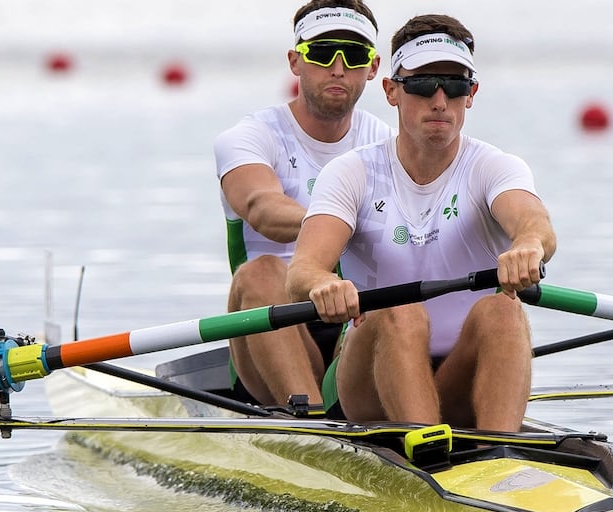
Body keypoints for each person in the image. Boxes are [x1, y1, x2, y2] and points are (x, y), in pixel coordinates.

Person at [286, 14, 555, 432]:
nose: (439, 100)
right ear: (392, 91)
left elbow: (533, 223)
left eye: (454, 85)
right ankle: (427, 448)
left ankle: (501, 455)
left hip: (457, 375)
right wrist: (324, 284)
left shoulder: (494, 167)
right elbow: (302, 270)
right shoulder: (352, 172)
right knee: (401, 311)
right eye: (423, 85)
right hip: (366, 384)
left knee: (504, 310)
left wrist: (529, 246)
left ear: (472, 94)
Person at [213, 0, 392, 407]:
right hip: (269, 327)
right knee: (260, 272)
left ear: (374, 67)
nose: (339, 67)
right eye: (323, 52)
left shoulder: (388, 144)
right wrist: (336, 220)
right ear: (296, 61)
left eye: (355, 55)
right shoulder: (249, 137)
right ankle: (312, 423)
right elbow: (261, 208)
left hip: (356, 321)